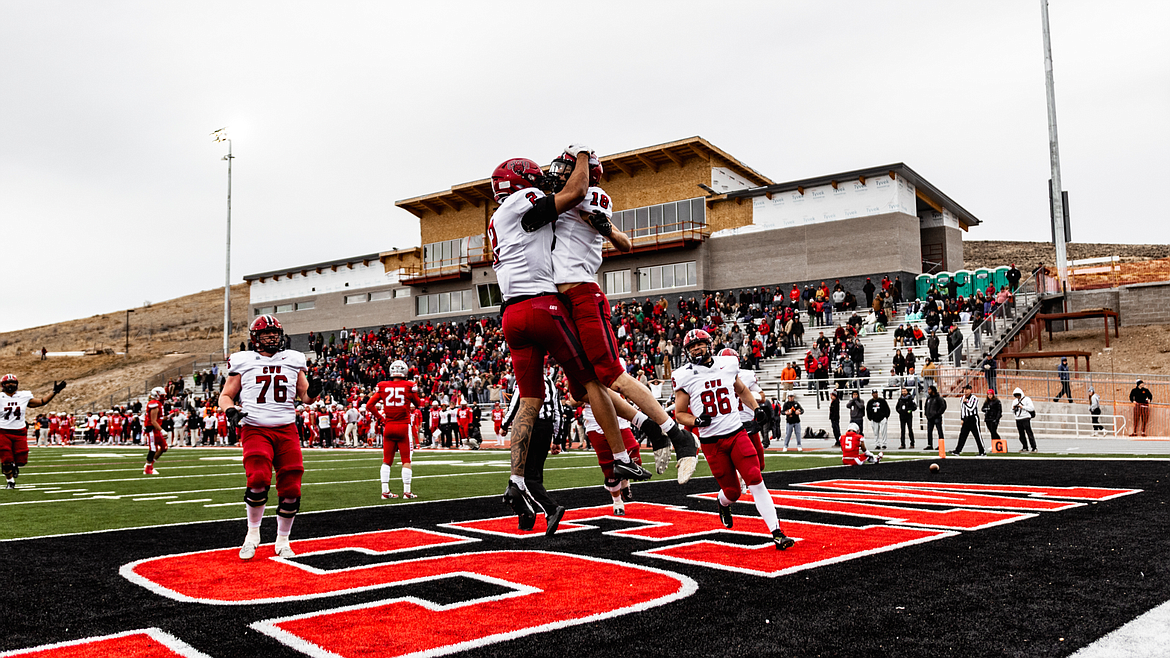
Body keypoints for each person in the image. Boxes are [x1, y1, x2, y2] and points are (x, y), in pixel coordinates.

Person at [488, 147, 650, 526]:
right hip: (542, 304)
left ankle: (517, 480)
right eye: (536, 177)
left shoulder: (497, 217)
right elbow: (575, 194)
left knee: (530, 399)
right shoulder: (524, 200)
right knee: (592, 378)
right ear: (522, 181)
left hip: (510, 312)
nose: (543, 180)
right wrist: (581, 156)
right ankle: (622, 456)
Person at [546, 149, 697, 482]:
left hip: (582, 294)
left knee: (612, 375)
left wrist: (606, 229)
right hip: (563, 302)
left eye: (565, 169)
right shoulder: (560, 199)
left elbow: (622, 240)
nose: (557, 174)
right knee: (582, 389)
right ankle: (648, 427)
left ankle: (676, 434)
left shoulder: (588, 195)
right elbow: (622, 240)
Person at [672, 330, 795, 550]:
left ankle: (777, 532)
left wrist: (756, 409)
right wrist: (696, 420)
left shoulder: (727, 364)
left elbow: (742, 390)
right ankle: (722, 502)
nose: (695, 350)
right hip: (712, 443)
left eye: (699, 345)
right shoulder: (684, 375)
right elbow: (679, 413)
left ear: (708, 345)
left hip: (736, 432)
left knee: (755, 477)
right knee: (733, 492)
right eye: (691, 347)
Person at [219, 314, 322, 560]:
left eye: (274, 334)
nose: (272, 338)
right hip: (255, 426)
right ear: (255, 338)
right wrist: (230, 410)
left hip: (286, 428)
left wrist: (314, 393)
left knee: (292, 487)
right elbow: (226, 395)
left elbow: (304, 397)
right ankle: (252, 535)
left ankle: (283, 540)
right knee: (258, 478)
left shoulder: (293, 359)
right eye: (266, 334)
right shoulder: (243, 360)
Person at [499, 368, 567, 534]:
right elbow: (558, 412)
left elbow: (515, 404)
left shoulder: (525, 379)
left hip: (529, 427)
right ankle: (527, 517)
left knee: (524, 477)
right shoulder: (550, 383)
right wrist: (557, 439)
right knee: (535, 474)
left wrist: (504, 425)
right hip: (546, 428)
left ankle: (551, 509)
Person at [366, 360, 423, 500]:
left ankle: (385, 491)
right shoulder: (409, 385)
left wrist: (380, 418)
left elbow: (369, 405)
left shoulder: (383, 386)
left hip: (389, 426)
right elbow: (418, 403)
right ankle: (407, 492)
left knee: (386, 460)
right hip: (403, 426)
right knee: (406, 460)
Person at [1, 375, 65, 489]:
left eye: (12, 382)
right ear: (2, 385)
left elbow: (41, 402)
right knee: (6, 458)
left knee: (22, 461)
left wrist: (54, 392)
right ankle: (10, 481)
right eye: (7, 383)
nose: (10, 385)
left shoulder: (23, 396)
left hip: (19, 431)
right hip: (2, 431)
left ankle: (14, 466)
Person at [952, 385, 986, 456]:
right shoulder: (962, 398)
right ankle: (957, 451)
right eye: (964, 389)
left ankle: (982, 451)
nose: (965, 391)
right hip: (966, 419)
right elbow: (962, 409)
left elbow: (971, 408)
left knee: (977, 435)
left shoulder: (974, 398)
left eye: (967, 389)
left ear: (970, 390)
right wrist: (962, 418)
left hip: (973, 418)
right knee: (962, 435)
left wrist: (966, 402)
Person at [142, 387, 168, 474]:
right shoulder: (154, 404)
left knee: (164, 447)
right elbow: (153, 421)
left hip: (156, 429)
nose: (163, 397)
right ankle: (148, 469)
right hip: (152, 429)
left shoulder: (158, 404)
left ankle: (150, 464)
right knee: (153, 448)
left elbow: (158, 419)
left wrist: (166, 418)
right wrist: (162, 431)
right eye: (162, 396)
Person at [1011, 387, 1037, 452]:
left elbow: (1031, 408)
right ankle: (1025, 447)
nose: (1018, 397)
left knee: (1029, 433)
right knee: (1021, 434)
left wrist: (1023, 407)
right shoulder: (1015, 401)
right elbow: (1011, 411)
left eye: (1018, 395)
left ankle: (1034, 447)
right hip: (1018, 418)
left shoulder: (1027, 399)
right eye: (1016, 395)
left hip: (1025, 418)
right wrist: (1014, 408)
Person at [924, 385, 946, 451]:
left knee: (939, 431)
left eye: (929, 390)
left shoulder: (938, 398)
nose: (928, 391)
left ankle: (941, 445)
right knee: (929, 431)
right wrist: (927, 414)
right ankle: (930, 444)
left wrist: (937, 413)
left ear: (933, 391)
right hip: (930, 418)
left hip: (937, 418)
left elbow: (943, 407)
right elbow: (926, 407)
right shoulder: (928, 398)